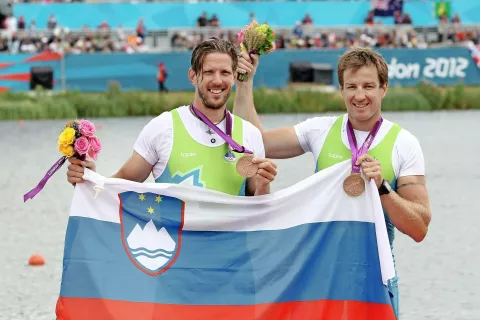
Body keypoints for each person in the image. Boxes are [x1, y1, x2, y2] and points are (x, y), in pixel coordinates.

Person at [233, 46, 432, 318]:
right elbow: (253, 142)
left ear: (383, 89)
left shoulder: (403, 144)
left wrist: (383, 187)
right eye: (351, 86)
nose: (359, 95)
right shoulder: (320, 130)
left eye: (368, 86)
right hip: (320, 280)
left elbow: (419, 228)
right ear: (341, 90)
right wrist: (245, 83)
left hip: (374, 281)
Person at [67, 38, 277, 197]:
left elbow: (258, 208)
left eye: (224, 73)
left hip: (231, 252)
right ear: (193, 76)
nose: (217, 80)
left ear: (233, 78)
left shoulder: (250, 134)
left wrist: (264, 185)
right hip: (178, 253)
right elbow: (119, 186)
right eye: (209, 72)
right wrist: (89, 178)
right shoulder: (163, 128)